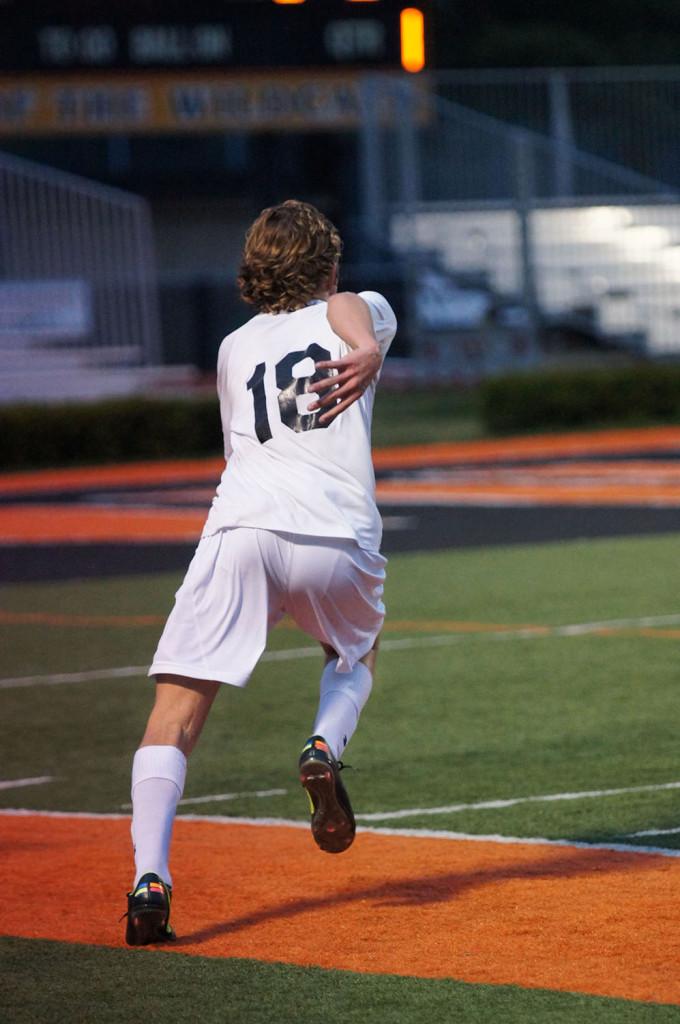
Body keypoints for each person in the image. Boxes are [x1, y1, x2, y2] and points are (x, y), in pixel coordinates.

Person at [123, 199, 397, 946]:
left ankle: (150, 879)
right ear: (327, 263)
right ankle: (323, 747)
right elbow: (346, 305)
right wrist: (365, 348)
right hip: (332, 531)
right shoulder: (359, 311)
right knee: (355, 649)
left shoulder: (232, 347)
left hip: (239, 530)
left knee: (175, 712)